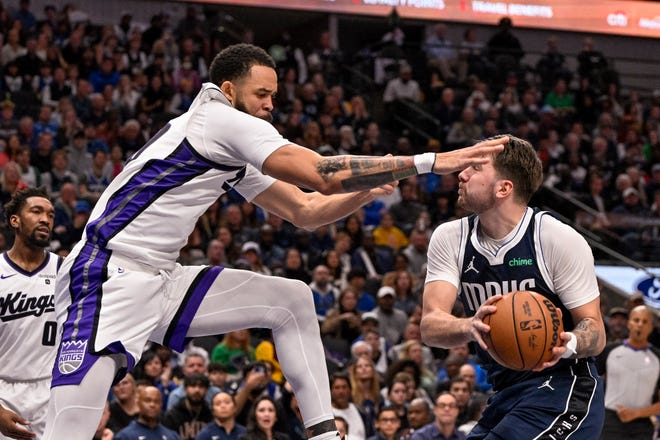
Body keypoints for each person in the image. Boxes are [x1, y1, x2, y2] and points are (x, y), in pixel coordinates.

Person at [44, 43, 505, 440]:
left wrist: (365, 188)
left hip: (160, 278)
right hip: (106, 275)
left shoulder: (225, 145)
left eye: (274, 96)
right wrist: (429, 161)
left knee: (292, 300)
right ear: (228, 91)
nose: (269, 104)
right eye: (261, 94)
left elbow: (305, 211)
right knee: (69, 432)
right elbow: (323, 175)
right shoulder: (218, 120)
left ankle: (323, 431)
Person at [420, 135, 606, 439]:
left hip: (566, 389)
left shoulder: (556, 239)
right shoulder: (450, 237)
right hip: (506, 392)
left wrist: (567, 342)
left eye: (475, 168)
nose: (462, 173)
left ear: (504, 188)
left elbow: (595, 331)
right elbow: (429, 326)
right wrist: (469, 326)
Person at [0, 187, 60, 440]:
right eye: (36, 211)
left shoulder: (66, 271)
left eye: (51, 214)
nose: (45, 219)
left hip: (54, 389)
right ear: (15, 220)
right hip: (3, 391)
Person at [596, 305, 660, 440]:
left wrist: (636, 413)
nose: (640, 325)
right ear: (629, 323)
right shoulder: (610, 350)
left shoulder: (657, 358)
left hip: (642, 426)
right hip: (608, 421)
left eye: (645, 321)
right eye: (636, 320)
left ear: (651, 326)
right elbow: (589, 380)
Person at [114, 386, 180, 440]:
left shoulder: (172, 436)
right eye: (147, 400)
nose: (152, 405)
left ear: (161, 405)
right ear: (138, 403)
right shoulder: (125, 436)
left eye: (157, 401)